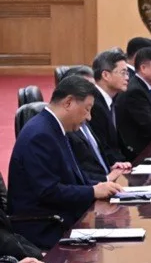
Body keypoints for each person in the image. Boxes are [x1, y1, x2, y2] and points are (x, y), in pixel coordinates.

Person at [7, 76, 125, 248]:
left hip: (61, 216)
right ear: (68, 103)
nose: (89, 117)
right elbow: (48, 191)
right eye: (87, 109)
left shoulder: (53, 128)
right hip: (45, 226)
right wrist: (92, 191)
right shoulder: (41, 135)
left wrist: (100, 185)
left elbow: (71, 177)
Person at [59, 66, 133, 184]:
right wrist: (106, 178)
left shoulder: (85, 118)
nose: (93, 93)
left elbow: (96, 157)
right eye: (87, 89)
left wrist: (110, 168)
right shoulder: (67, 128)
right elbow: (75, 174)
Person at [90, 49, 129, 165]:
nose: (127, 78)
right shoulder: (93, 105)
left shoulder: (113, 99)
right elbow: (102, 148)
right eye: (123, 73)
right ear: (105, 75)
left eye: (127, 73)